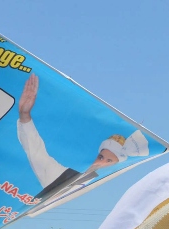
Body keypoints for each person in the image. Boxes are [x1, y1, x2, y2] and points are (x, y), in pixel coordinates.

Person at [17, 74, 149, 202]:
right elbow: (35, 149)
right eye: (101, 157)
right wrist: (24, 114)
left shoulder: (102, 192)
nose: (101, 162)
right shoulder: (59, 175)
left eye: (109, 161)